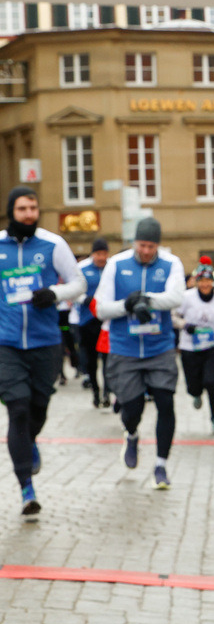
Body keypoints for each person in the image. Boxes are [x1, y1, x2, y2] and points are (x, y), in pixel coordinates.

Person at [0, 187, 86, 516]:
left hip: (45, 342)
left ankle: (30, 440)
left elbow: (79, 284)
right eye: (22, 208)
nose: (28, 214)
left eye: (33, 208)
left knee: (38, 408)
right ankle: (26, 487)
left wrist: (53, 292)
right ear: (12, 211)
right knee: (17, 409)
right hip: (6, 344)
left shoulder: (52, 244)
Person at [95, 217, 185, 490]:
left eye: (152, 246)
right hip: (125, 349)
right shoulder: (116, 264)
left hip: (160, 348)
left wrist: (146, 300)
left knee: (165, 403)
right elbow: (100, 308)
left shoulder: (171, 263)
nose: (147, 251)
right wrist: (128, 305)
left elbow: (176, 297)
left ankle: (161, 465)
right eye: (143, 245)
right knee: (131, 409)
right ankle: (132, 434)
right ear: (135, 242)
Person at [175, 259, 214, 435]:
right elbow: (173, 317)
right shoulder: (186, 297)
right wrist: (185, 325)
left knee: (212, 383)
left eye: (208, 281)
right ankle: (196, 393)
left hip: (212, 346)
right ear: (196, 282)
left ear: (212, 282)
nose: (205, 284)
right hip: (189, 346)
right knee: (193, 385)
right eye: (201, 281)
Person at [77, 238, 110, 408]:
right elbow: (73, 290)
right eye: (98, 254)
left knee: (107, 359)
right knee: (91, 360)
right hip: (87, 320)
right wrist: (85, 299)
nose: (101, 257)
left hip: (106, 321)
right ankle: (95, 391)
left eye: (104, 254)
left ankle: (106, 392)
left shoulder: (111, 267)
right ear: (93, 253)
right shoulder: (82, 268)